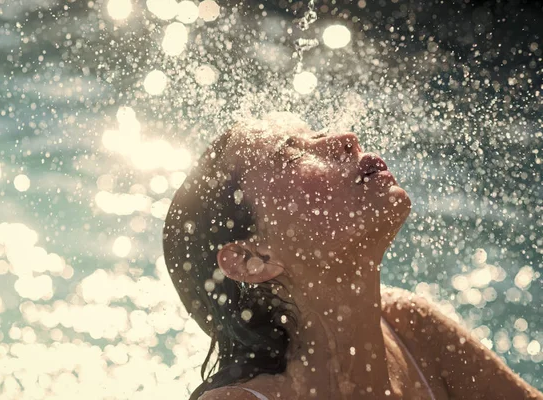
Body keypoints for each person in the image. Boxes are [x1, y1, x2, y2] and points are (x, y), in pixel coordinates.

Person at [162, 113, 542, 399]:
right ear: (251, 259)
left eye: (317, 133)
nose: (345, 138)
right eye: (291, 155)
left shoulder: (412, 327)